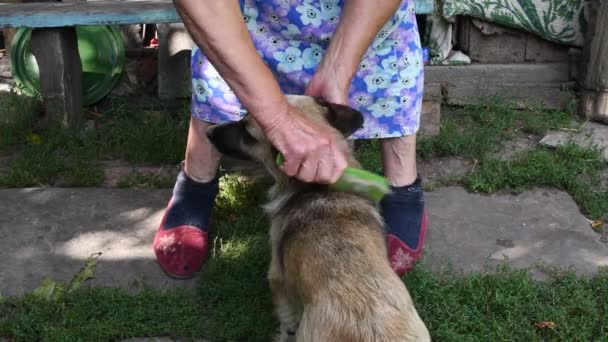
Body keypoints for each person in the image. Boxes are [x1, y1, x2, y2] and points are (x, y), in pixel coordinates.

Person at [153, 0, 427, 278]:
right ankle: (197, 181)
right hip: (249, 17)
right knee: (223, 77)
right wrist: (277, 119)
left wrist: (337, 68)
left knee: (385, 74)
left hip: (361, 15)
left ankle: (400, 185)